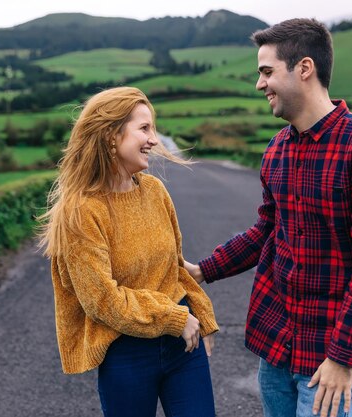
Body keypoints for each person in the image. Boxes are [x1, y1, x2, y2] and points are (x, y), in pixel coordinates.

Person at [184, 18, 352, 417]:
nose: (259, 84)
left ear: (304, 68)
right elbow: (266, 230)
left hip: (329, 355)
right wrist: (204, 270)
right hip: (276, 347)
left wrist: (344, 358)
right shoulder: (276, 150)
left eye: (267, 71)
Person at [38, 86, 219, 417]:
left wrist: (200, 319)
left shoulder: (155, 191)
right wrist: (174, 319)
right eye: (144, 128)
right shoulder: (82, 211)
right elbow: (101, 300)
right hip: (127, 352)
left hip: (182, 346)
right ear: (111, 135)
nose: (154, 139)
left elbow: (174, 268)